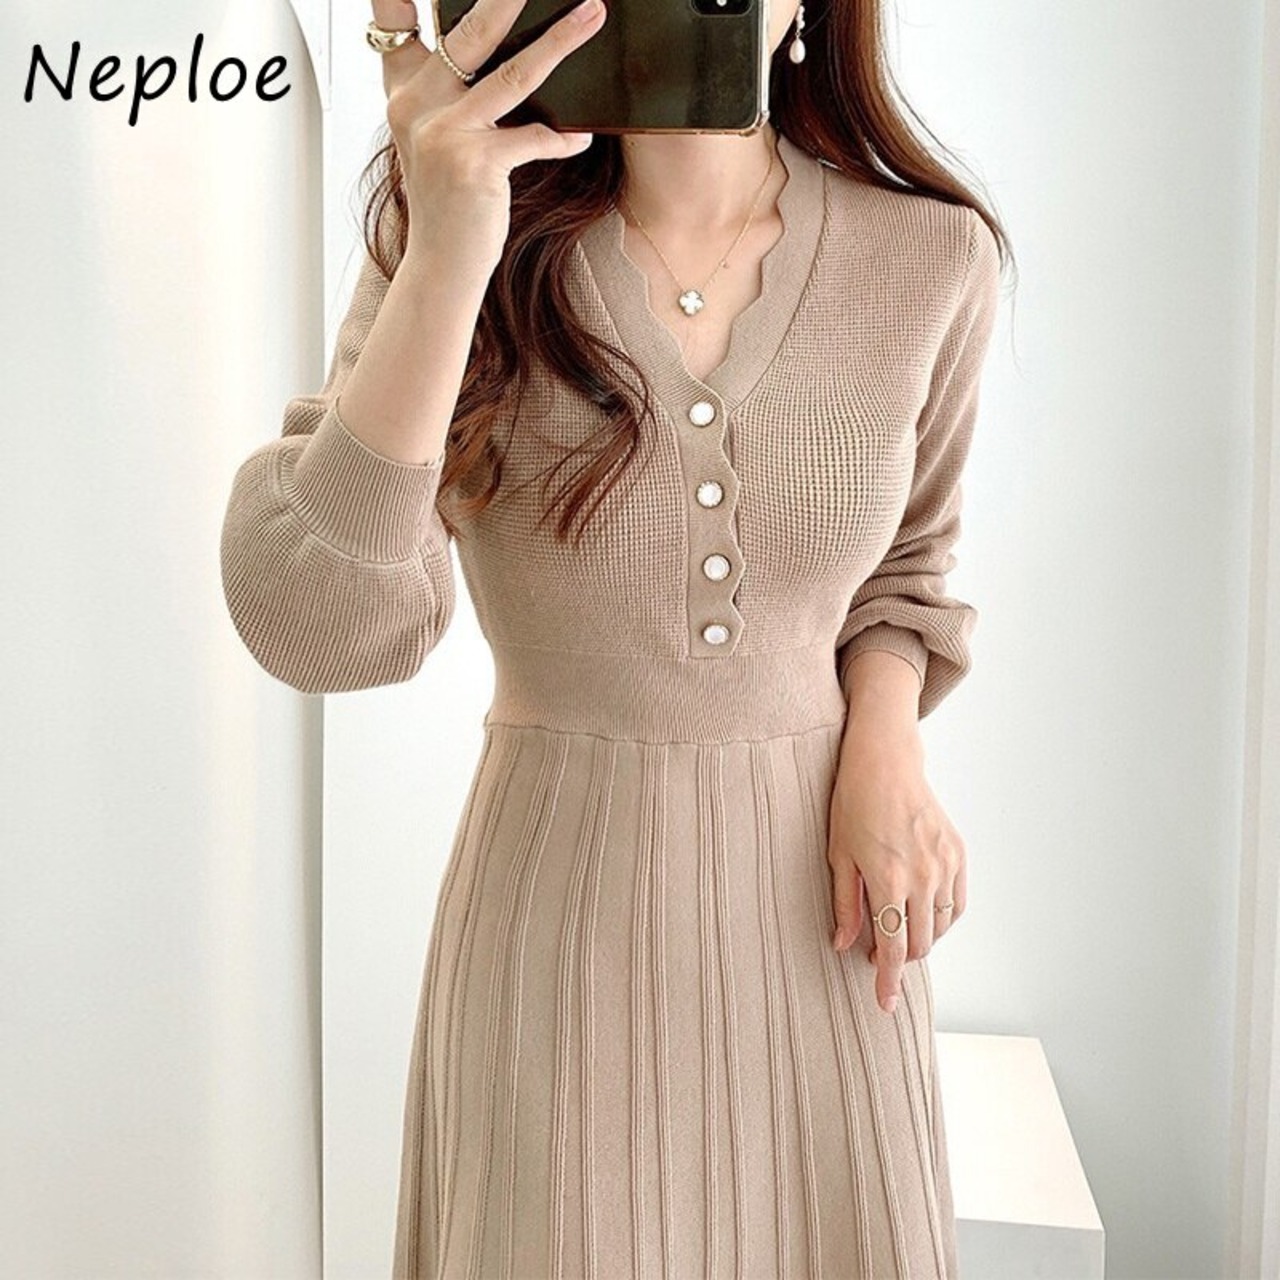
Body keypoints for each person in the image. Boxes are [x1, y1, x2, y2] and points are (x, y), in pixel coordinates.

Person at [219, 0, 1010, 1274]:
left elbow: (907, 568)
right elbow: (325, 627)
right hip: (557, 929)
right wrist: (446, 248)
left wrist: (886, 740)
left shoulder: (930, 256)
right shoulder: (463, 237)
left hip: (822, 925)